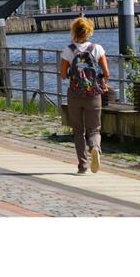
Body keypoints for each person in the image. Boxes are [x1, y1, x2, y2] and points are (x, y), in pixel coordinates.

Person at [59, 16, 110, 174]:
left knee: (78, 130)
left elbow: (62, 75)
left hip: (75, 94)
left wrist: (72, 74)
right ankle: (95, 147)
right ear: (89, 31)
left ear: (73, 31)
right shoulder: (97, 49)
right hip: (93, 94)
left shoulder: (68, 50)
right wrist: (102, 83)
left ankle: (83, 165)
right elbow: (106, 73)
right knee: (94, 129)